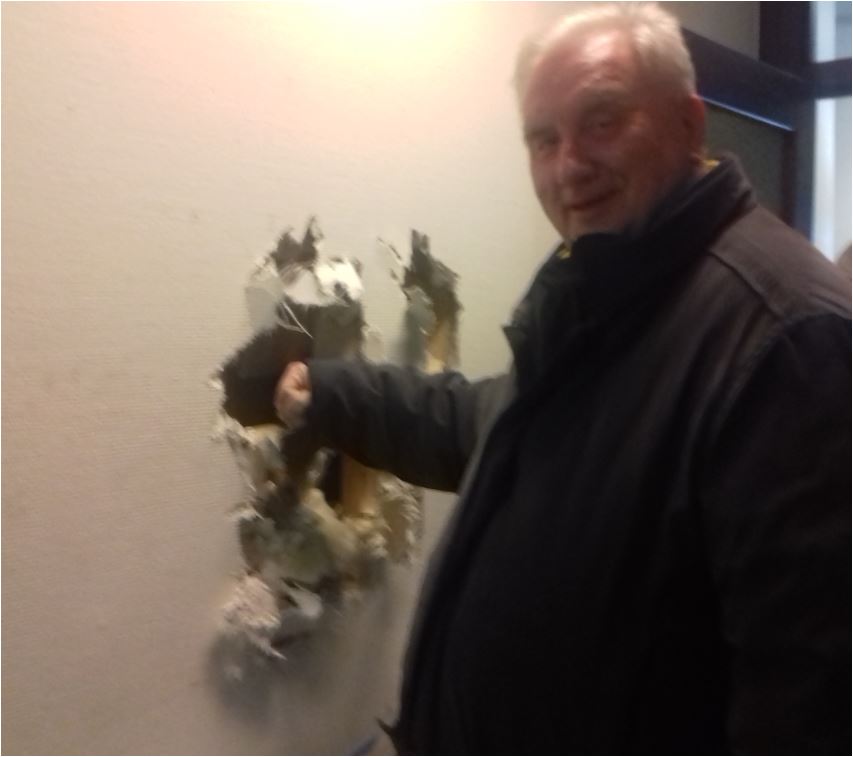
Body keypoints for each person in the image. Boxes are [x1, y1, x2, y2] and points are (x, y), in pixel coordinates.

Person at [276, 4, 851, 753]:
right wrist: (335, 393)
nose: (568, 165)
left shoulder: (785, 336)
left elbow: (805, 703)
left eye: (602, 122)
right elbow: (492, 427)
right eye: (543, 140)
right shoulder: (615, 286)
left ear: (688, 123)